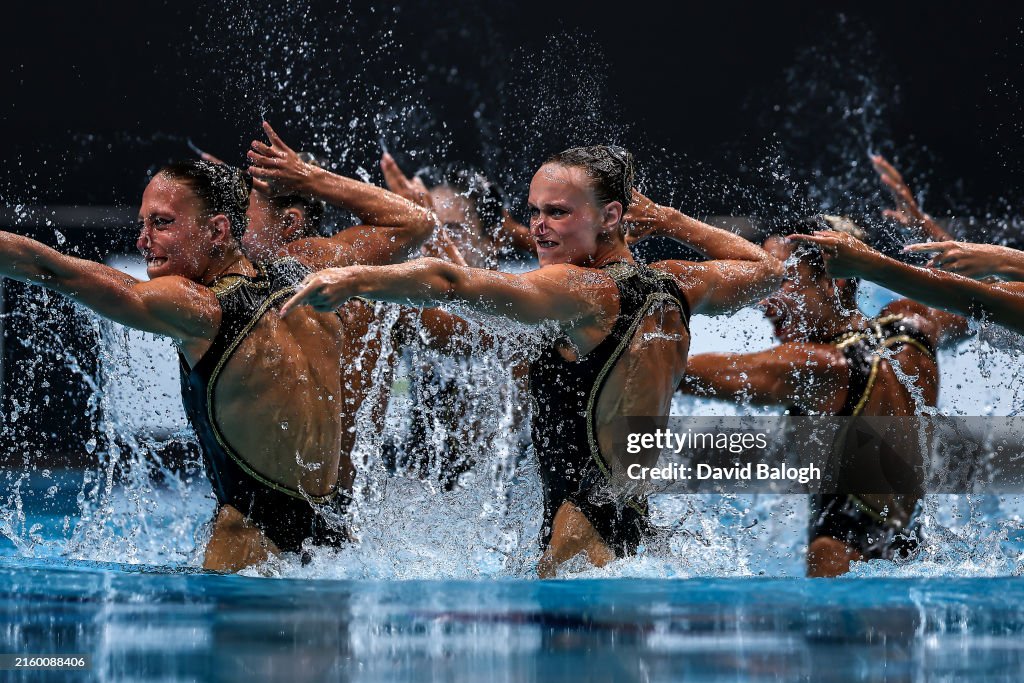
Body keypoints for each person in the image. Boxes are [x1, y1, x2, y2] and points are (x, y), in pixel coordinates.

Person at [278, 145, 783, 576]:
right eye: (534, 210)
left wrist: (356, 280)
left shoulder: (580, 290)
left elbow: (453, 285)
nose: (538, 227)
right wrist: (672, 221)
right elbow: (766, 269)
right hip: (632, 535)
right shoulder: (677, 284)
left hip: (575, 548)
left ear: (611, 217)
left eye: (557, 213)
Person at [0, 148, 433, 572]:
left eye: (162, 223)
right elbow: (413, 221)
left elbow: (57, 271)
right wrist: (309, 178)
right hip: (332, 550)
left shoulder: (201, 308)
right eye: (143, 224)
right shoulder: (307, 270)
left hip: (249, 558)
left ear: (218, 231)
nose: (143, 240)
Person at [680, 216, 967, 576]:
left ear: (834, 283)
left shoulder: (819, 367)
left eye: (782, 281)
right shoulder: (910, 325)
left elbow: (677, 371)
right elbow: (970, 300)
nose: (766, 302)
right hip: (913, 548)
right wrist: (925, 226)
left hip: (842, 555)